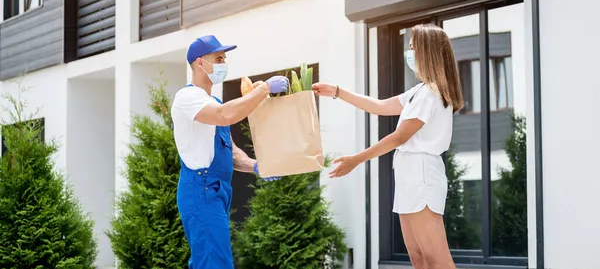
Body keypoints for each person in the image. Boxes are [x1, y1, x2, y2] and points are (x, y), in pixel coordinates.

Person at [312, 24, 463, 269]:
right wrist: (337, 92)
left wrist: (356, 159)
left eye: (413, 47)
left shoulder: (429, 94)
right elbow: (380, 106)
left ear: (427, 52)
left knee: (437, 261)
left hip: (421, 175)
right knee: (419, 259)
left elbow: (398, 138)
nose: (409, 52)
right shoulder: (420, 91)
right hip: (410, 176)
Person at [170, 35, 289, 269]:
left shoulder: (212, 100)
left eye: (224, 58)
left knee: (210, 259)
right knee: (215, 262)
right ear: (200, 63)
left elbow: (231, 153)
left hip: (218, 189)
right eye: (218, 58)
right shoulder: (188, 98)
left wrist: (256, 166)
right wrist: (264, 89)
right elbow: (226, 115)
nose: (223, 63)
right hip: (200, 188)